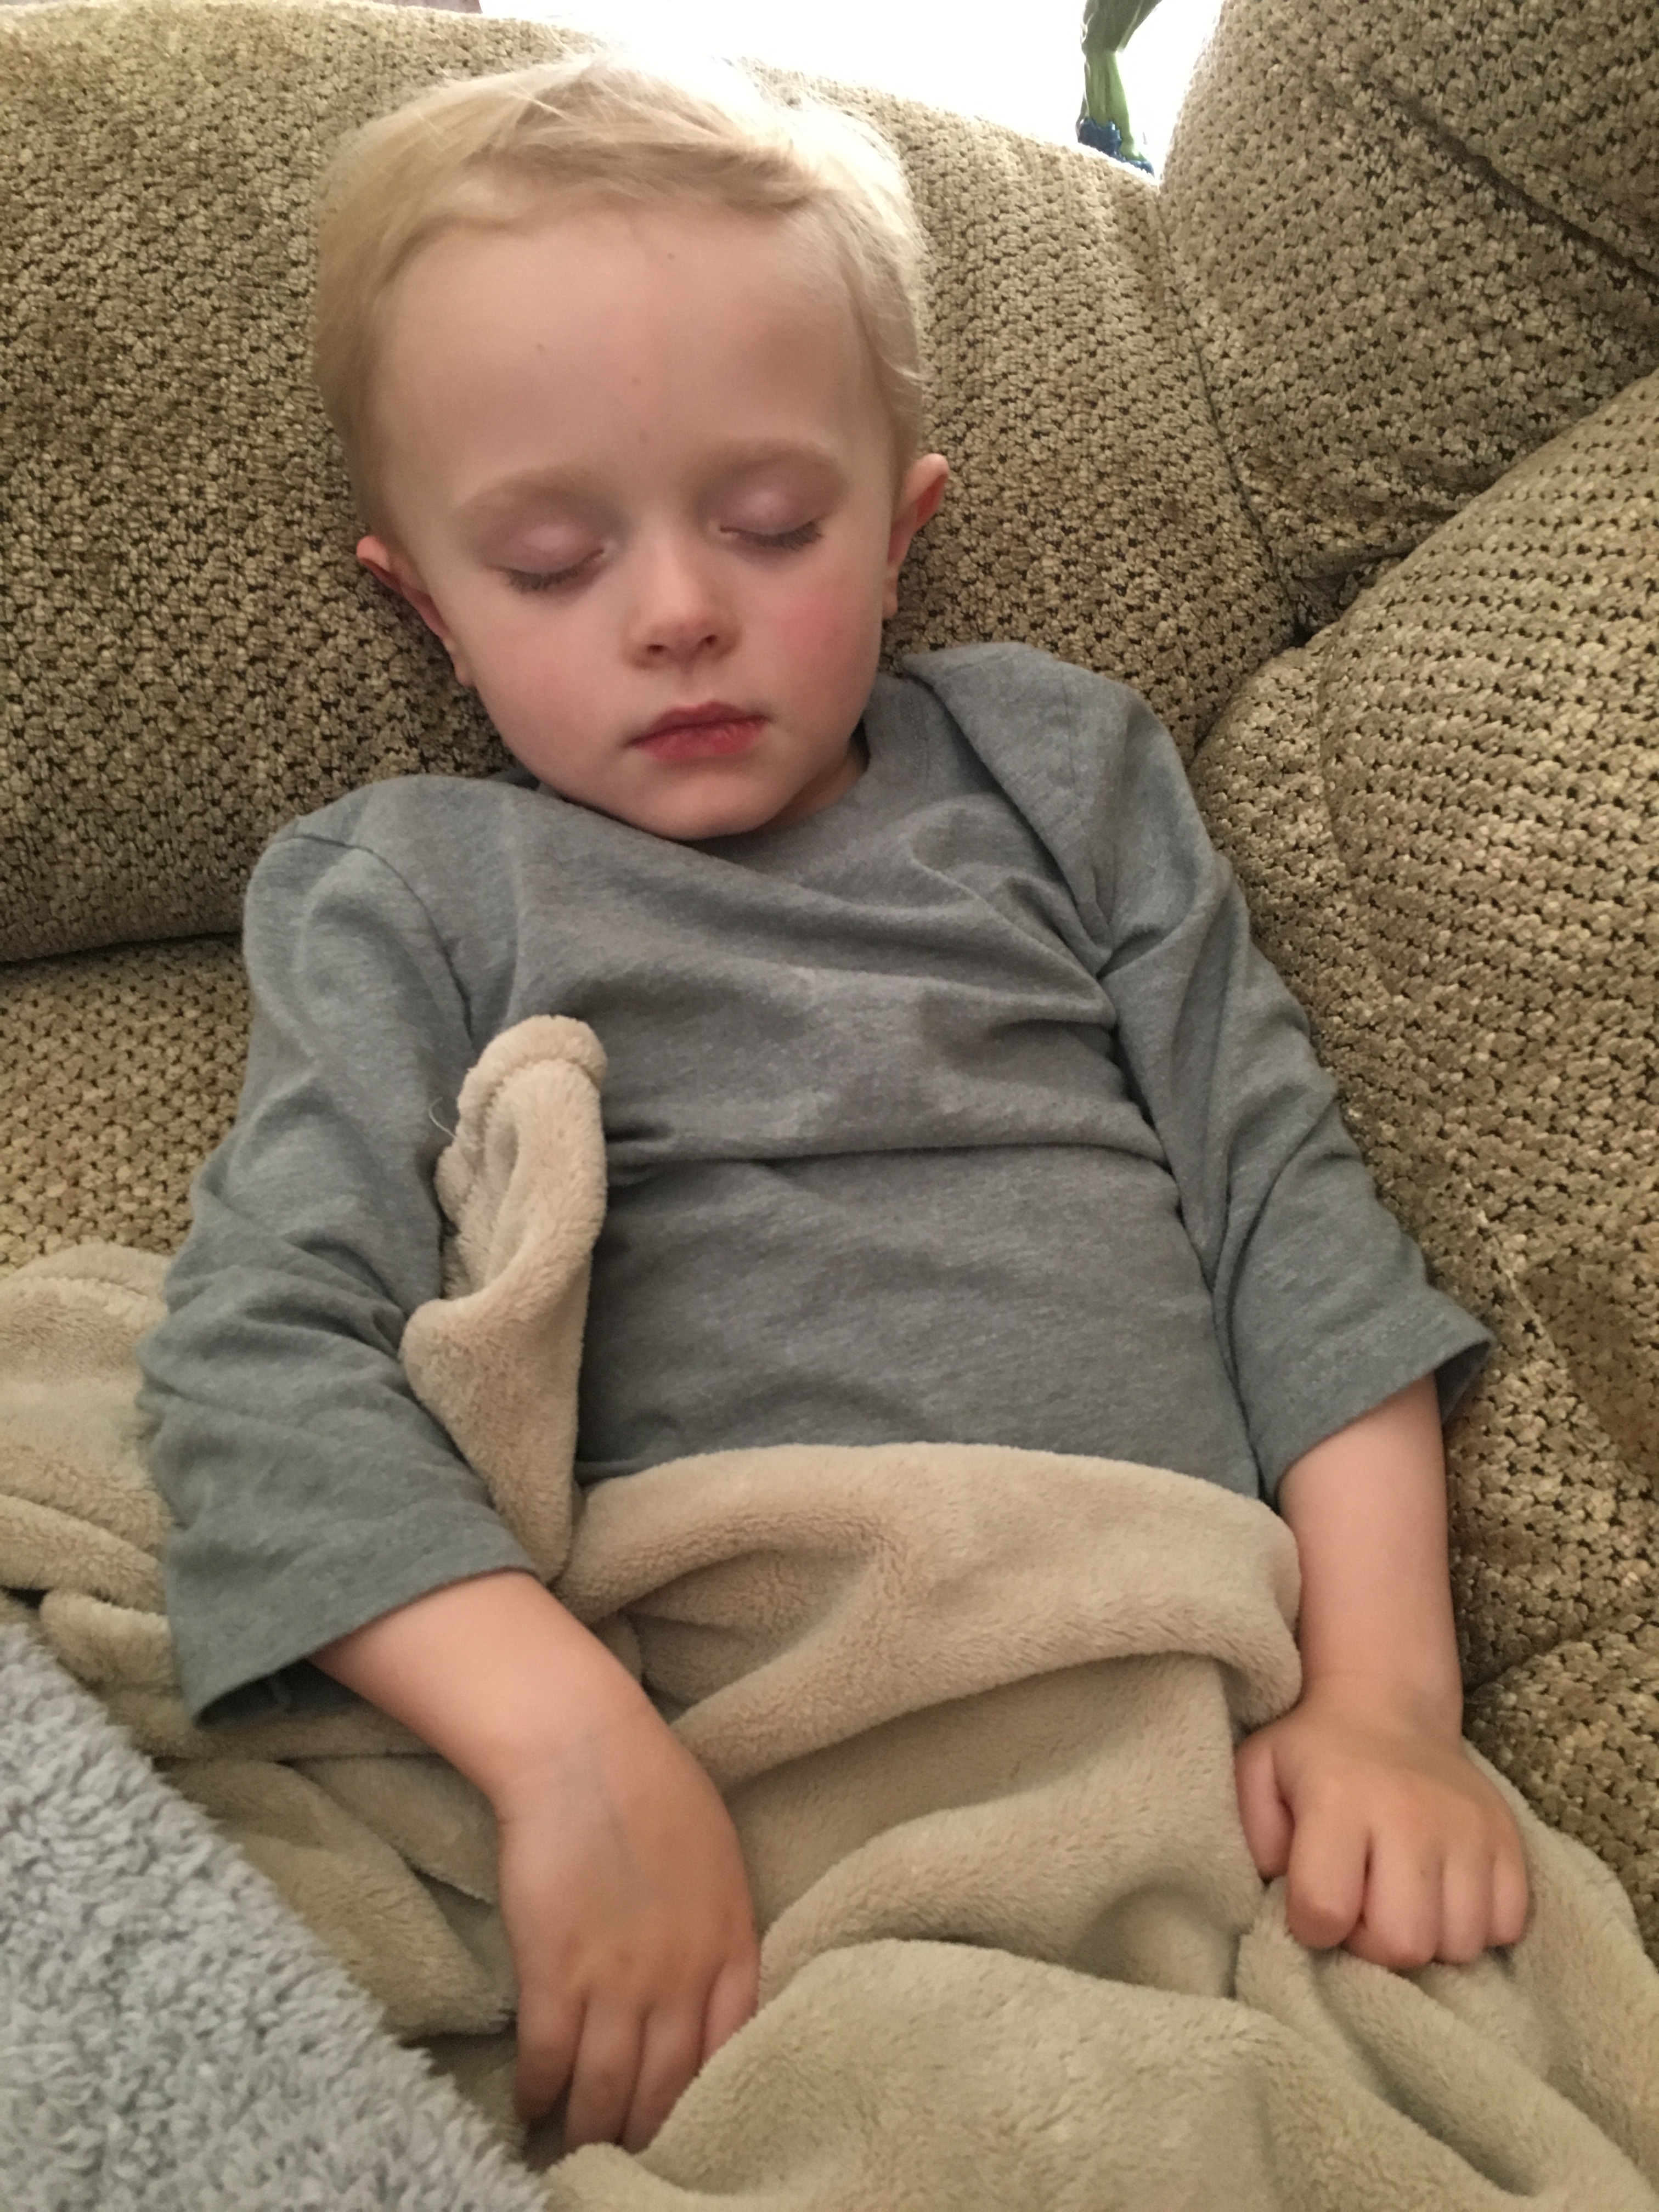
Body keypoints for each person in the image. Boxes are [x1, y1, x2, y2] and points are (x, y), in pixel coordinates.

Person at [136, 48, 1528, 2159]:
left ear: (901, 534)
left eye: (773, 526)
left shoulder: (1058, 773)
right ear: (426, 608)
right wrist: (570, 1754)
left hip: (1147, 1665)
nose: (680, 610)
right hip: (697, 1711)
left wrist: (1393, 1711)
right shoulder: (406, 884)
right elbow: (260, 1353)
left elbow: (1290, 1223)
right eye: (551, 561)